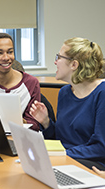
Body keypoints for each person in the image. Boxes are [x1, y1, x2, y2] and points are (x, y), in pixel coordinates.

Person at [29, 37, 105, 170]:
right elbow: (61, 140)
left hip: (92, 164)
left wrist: (62, 155)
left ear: (74, 65)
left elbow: (100, 148)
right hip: (66, 159)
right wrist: (46, 122)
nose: (55, 62)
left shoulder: (102, 93)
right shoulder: (64, 92)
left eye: (59, 57)